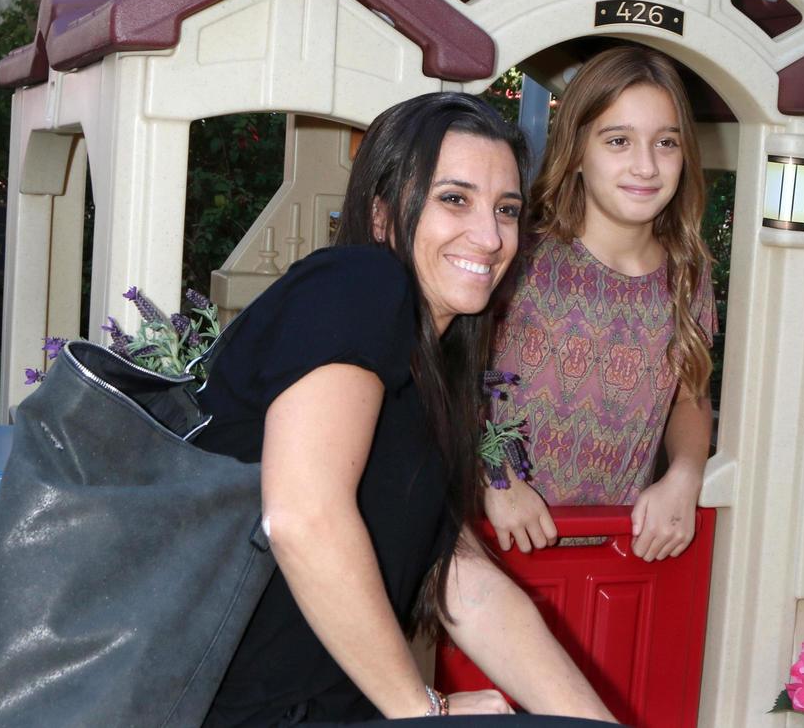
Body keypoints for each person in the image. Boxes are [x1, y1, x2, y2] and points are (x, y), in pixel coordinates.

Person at [192, 93, 616, 725]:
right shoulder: (357, 283)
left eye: (507, 209)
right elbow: (305, 517)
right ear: (383, 214)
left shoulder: (431, 375)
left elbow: (467, 586)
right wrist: (426, 711)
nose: (491, 235)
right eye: (454, 198)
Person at [482, 45, 716, 562]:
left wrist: (685, 474)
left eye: (666, 143)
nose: (646, 166)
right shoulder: (517, 257)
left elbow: (689, 396)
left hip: (616, 559)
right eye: (618, 141)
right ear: (578, 150)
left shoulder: (687, 277)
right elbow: (443, 381)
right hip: (491, 545)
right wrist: (492, 475)